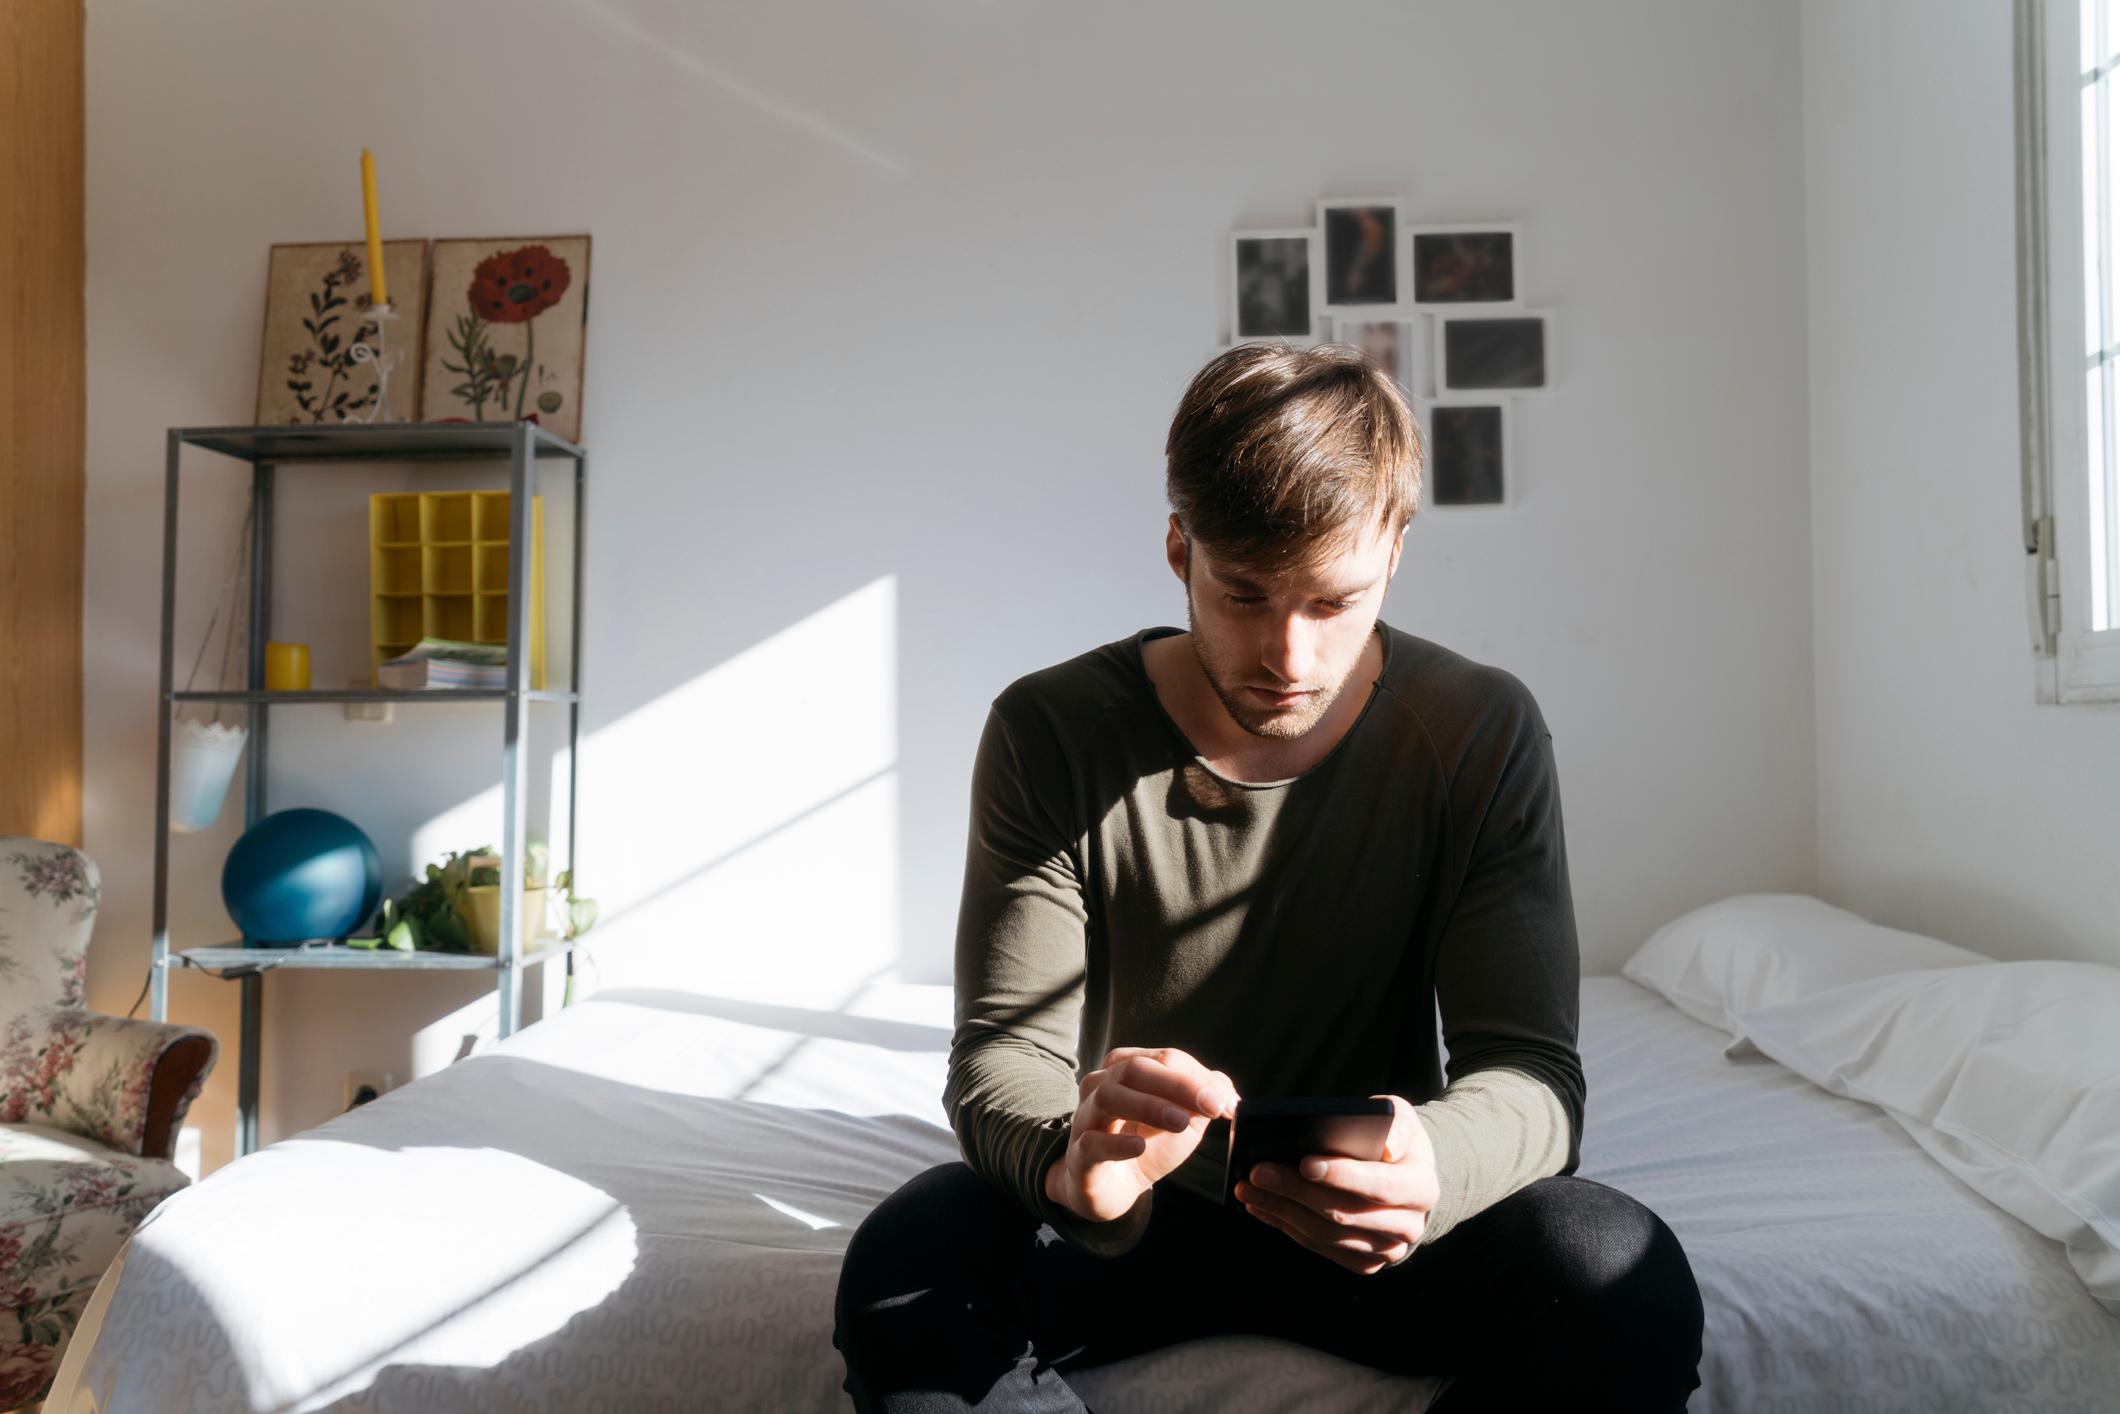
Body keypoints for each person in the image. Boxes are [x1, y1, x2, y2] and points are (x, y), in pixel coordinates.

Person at [834, 342, 1705, 1412]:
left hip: (1376, 1232)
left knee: (1619, 1274)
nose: (1284, 656)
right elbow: (1003, 1054)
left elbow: (1531, 1073)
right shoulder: (1050, 730)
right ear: (1175, 547)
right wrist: (1072, 1164)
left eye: (1329, 602)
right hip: (1130, 1224)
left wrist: (1429, 1164)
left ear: (1394, 550)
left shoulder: (1478, 728)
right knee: (908, 1264)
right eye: (1241, 594)